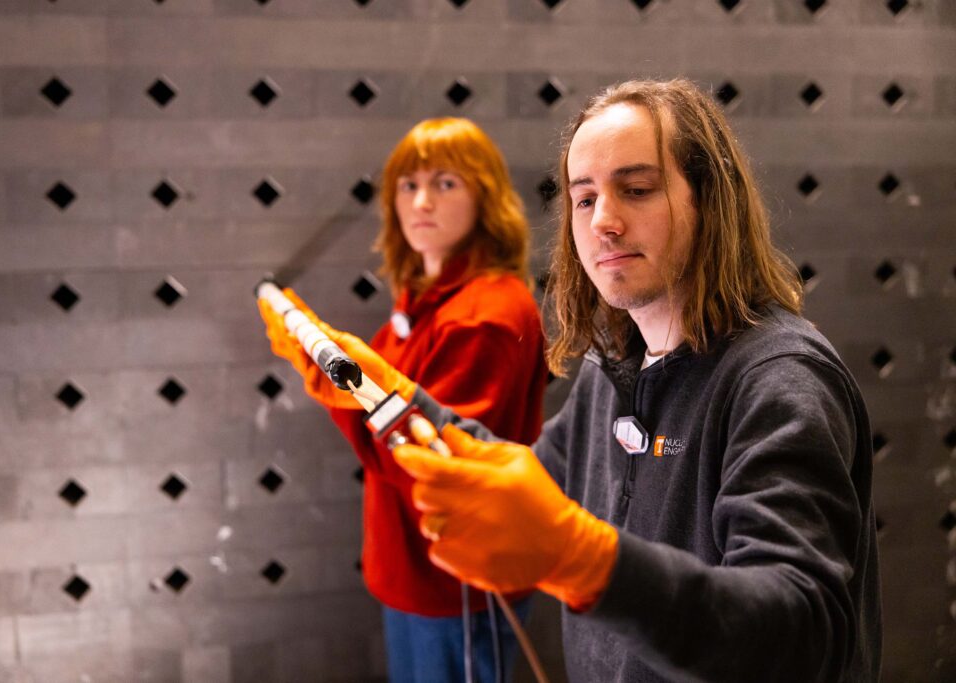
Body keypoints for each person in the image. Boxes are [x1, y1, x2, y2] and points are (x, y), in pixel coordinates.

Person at [321, 79, 882, 682]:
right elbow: (521, 477)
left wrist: (587, 563)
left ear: (709, 200)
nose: (604, 221)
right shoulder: (613, 366)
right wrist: (378, 393)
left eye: (636, 190)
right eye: (584, 199)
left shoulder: (780, 380)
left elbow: (800, 633)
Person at [257, 117, 549, 682]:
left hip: (456, 582)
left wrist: (331, 380)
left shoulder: (484, 315)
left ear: (484, 195)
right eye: (408, 185)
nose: (421, 201)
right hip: (411, 573)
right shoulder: (425, 302)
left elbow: (432, 461)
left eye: (445, 183)